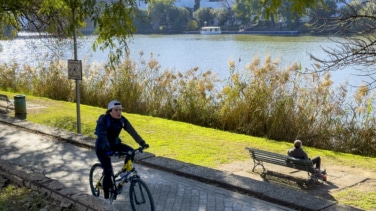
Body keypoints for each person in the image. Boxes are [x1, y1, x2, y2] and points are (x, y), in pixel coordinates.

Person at [95, 100, 149, 199]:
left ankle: (124, 173)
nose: (119, 112)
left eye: (120, 110)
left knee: (131, 152)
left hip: (115, 144)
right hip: (102, 148)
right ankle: (106, 198)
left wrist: (142, 142)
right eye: (116, 110)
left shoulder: (122, 120)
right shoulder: (104, 120)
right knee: (108, 172)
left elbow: (132, 131)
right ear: (110, 111)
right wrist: (108, 150)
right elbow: (102, 136)